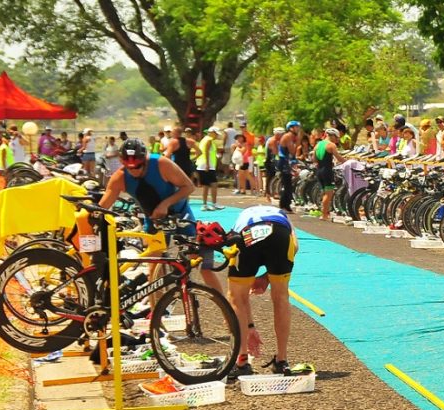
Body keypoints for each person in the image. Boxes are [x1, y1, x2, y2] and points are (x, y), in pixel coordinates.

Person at [98, 138, 223, 295]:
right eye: (129, 167)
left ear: (144, 160)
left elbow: (188, 187)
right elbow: (102, 206)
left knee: (199, 263)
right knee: (154, 269)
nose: (134, 170)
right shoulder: (119, 177)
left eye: (138, 166)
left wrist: (165, 204)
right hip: (154, 221)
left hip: (180, 215)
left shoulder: (161, 164)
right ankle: (157, 312)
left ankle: (225, 307)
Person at [203, 205, 297, 379]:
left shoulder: (243, 216)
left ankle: (241, 359)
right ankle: (282, 360)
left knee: (236, 296)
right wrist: (267, 278)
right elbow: (295, 247)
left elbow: (242, 298)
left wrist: (249, 326)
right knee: (281, 297)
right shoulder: (282, 216)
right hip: (280, 236)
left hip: (247, 234)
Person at [316, 128, 345, 220]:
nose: (337, 140)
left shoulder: (318, 144)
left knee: (325, 192)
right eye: (337, 138)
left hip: (319, 170)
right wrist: (348, 161)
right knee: (329, 194)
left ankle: (325, 213)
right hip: (327, 170)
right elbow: (339, 158)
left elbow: (314, 159)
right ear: (332, 136)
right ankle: (324, 215)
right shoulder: (331, 145)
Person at [196, 127, 225, 211]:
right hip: (207, 166)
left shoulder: (205, 140)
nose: (216, 136)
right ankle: (213, 203)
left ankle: (205, 204)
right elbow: (206, 152)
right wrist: (207, 165)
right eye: (215, 134)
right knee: (213, 184)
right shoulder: (208, 140)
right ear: (211, 132)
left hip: (204, 165)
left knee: (206, 185)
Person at [277, 121, 301, 212]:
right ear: (291, 128)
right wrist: (298, 142)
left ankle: (286, 204)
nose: (298, 129)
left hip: (287, 162)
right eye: (296, 127)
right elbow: (292, 151)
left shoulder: (292, 137)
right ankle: (284, 205)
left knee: (288, 184)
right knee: (287, 185)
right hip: (283, 162)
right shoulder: (288, 137)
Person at [265, 127, 284, 199]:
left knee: (274, 176)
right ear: (277, 134)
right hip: (270, 161)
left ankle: (271, 192)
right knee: (271, 177)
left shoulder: (277, 140)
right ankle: (269, 192)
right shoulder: (273, 140)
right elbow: (276, 152)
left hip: (274, 160)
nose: (282, 136)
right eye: (281, 134)